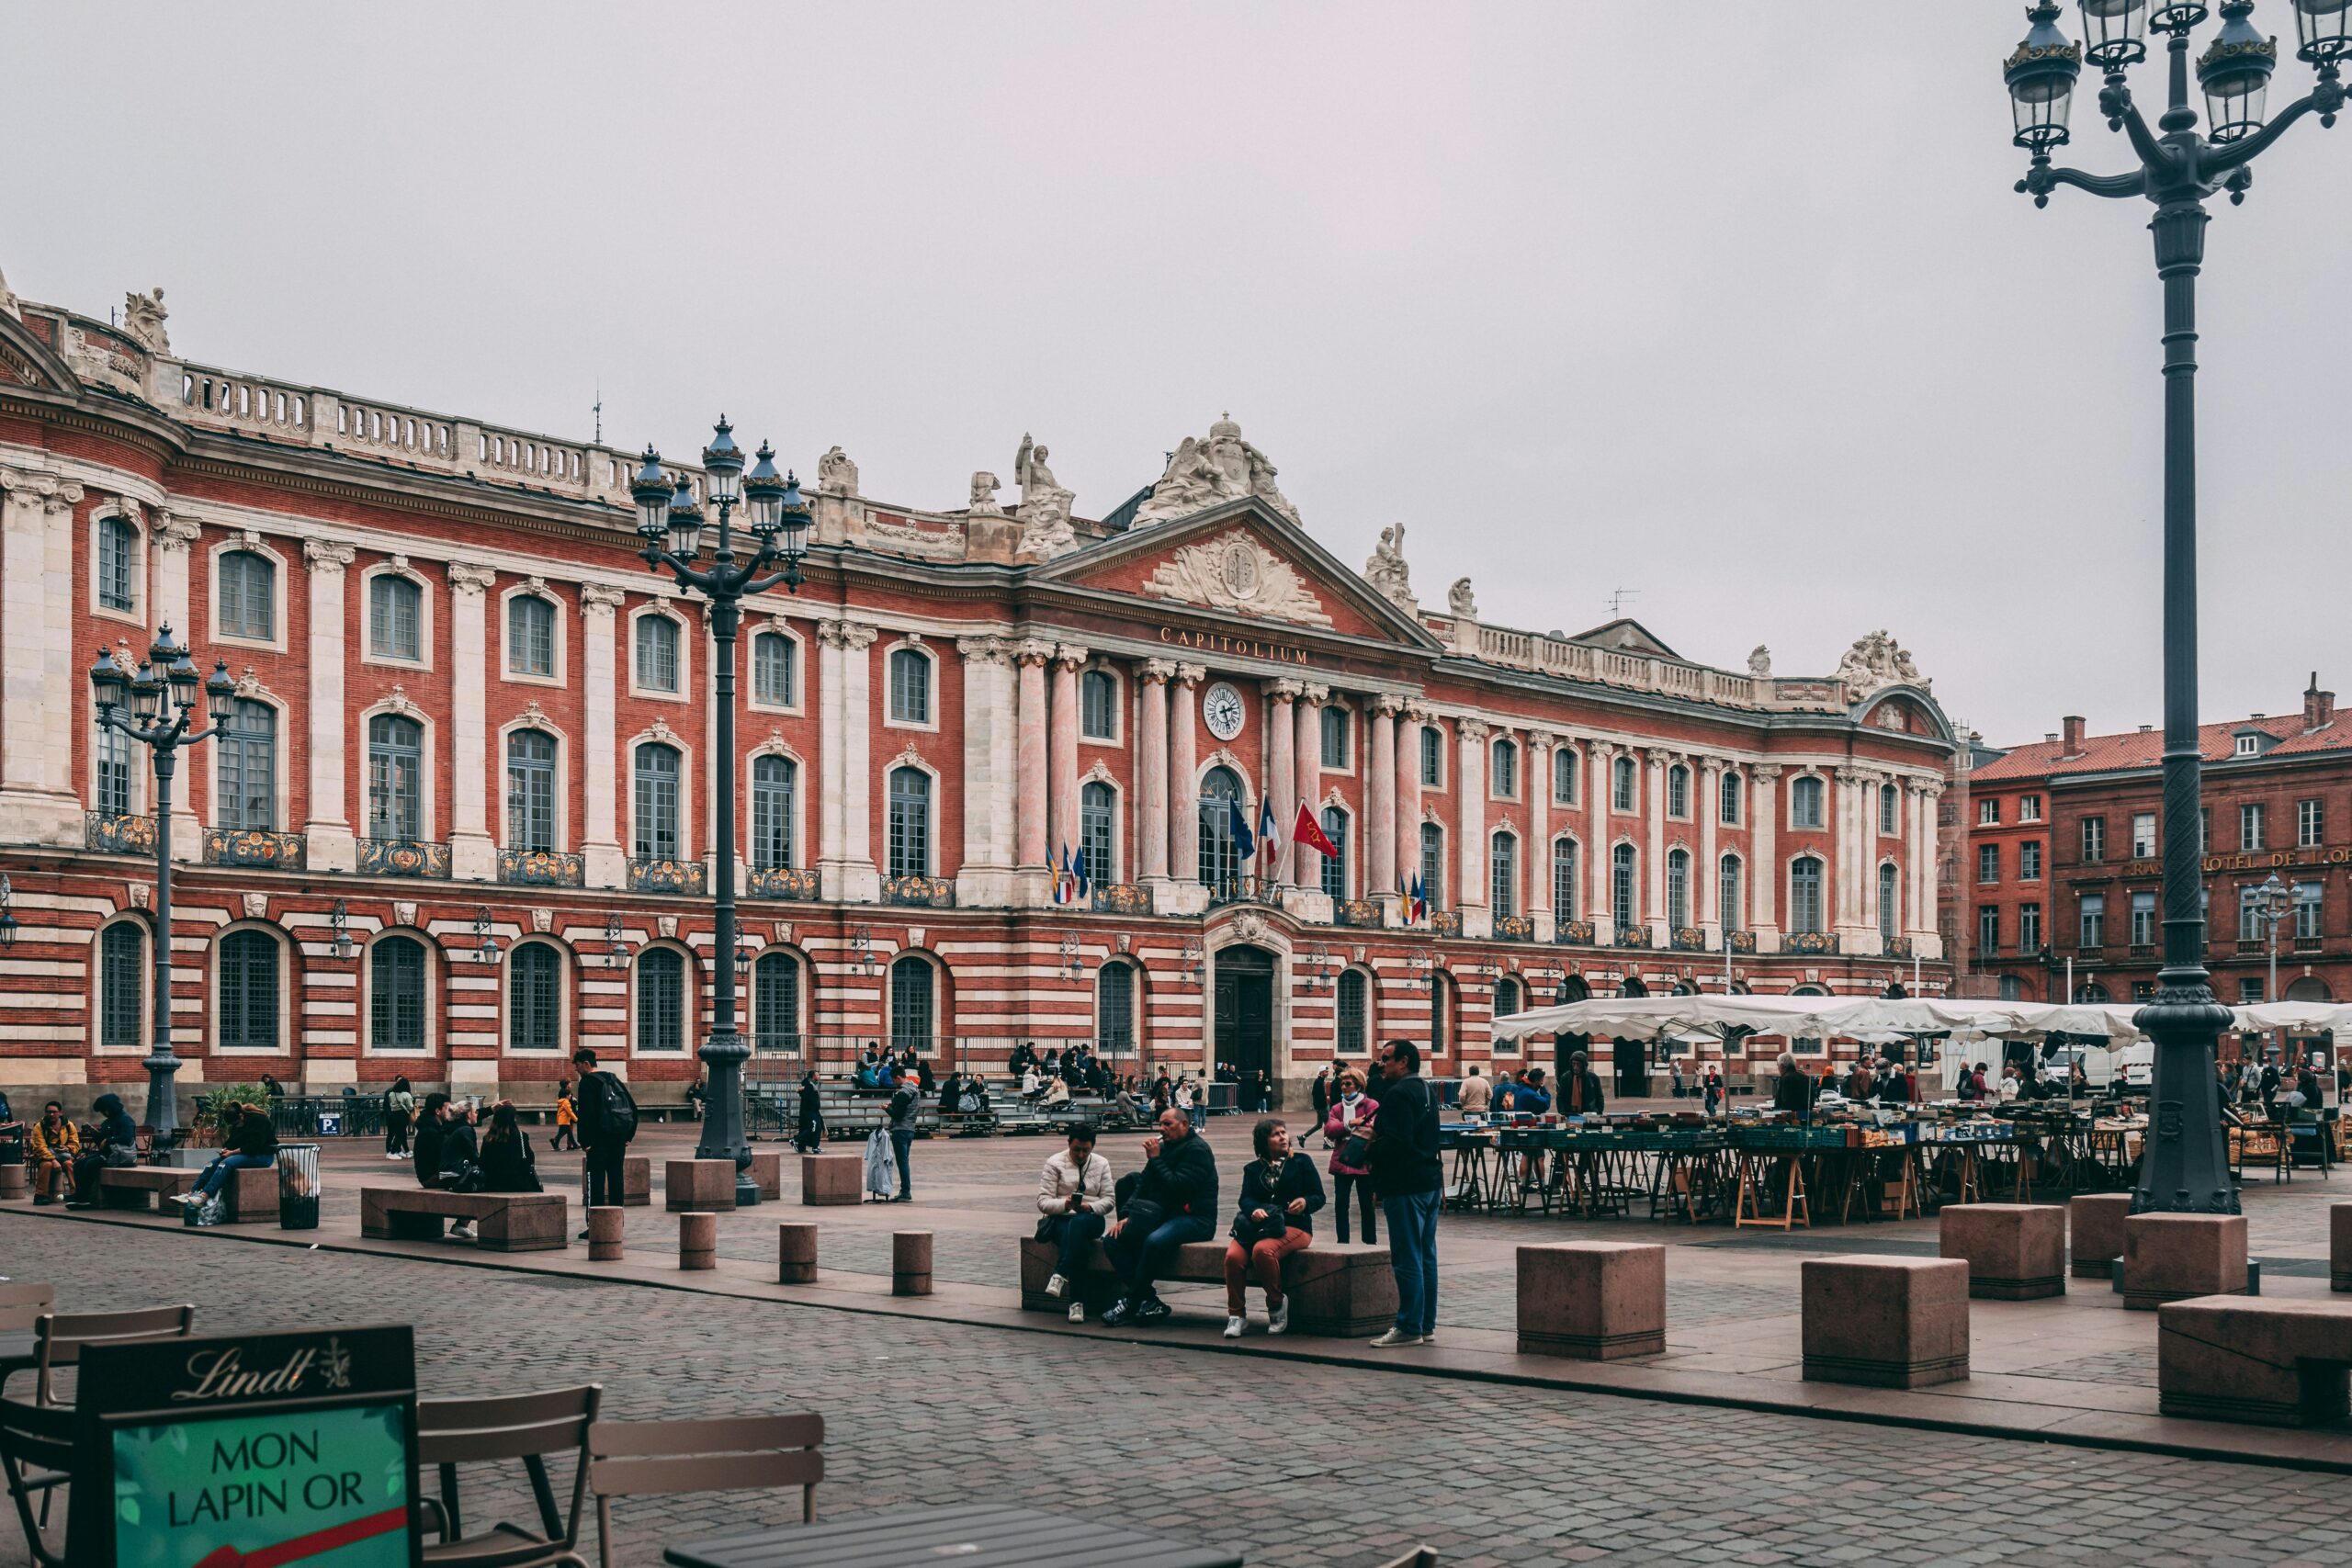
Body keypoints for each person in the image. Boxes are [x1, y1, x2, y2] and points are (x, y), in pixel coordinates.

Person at [1100, 1106, 1219, 1327]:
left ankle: (1132, 1300)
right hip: (1165, 1215)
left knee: (1154, 1241)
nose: (1161, 1129)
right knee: (1112, 1241)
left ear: (1184, 1125)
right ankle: (1148, 1299)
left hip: (1195, 1219)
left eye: (1167, 1124)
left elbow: (1179, 1189)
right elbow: (1144, 1184)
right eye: (1160, 1124)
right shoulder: (1164, 1149)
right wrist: (1127, 1215)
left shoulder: (1197, 1150)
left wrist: (1156, 1160)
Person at [1367, 1040, 1442, 1348]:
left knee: (1406, 1256)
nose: (1381, 1064)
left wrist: (1369, 1144)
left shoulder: (1397, 1094)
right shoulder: (1425, 1089)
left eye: (1386, 1059)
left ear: (1404, 1062)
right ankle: (1425, 1324)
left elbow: (1398, 1142)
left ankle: (1409, 1325)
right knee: (1426, 1255)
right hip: (1429, 1181)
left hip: (1405, 1184)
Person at [1224, 1117, 1326, 1337]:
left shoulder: (1301, 1162)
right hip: (1258, 1226)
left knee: (1263, 1251)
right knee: (1233, 1257)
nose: (1283, 1137)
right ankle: (1237, 1315)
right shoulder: (1253, 1169)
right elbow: (1245, 1198)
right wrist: (1254, 1210)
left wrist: (1306, 1203)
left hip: (1294, 1226)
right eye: (1276, 1134)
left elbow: (1319, 1196)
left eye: (1284, 1132)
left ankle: (1276, 1304)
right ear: (1264, 1142)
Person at [1036, 1123, 1115, 1323]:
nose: (1081, 1154)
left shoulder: (1101, 1163)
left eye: (1086, 1151)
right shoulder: (1054, 1163)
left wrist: (1090, 1207)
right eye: (1076, 1150)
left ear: (1092, 1148)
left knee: (1078, 1226)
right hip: (1061, 1219)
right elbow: (1043, 1202)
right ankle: (1076, 1303)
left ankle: (1060, 1273)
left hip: (1091, 1218)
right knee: (1076, 1243)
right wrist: (1065, 1204)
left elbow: (1109, 1200)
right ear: (1069, 1144)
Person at [572, 1047, 636, 1232]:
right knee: (616, 1180)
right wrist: (628, 1136)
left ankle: (596, 1226)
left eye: (577, 1066)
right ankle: (616, 1224)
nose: (576, 1070)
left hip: (598, 1143)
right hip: (618, 1140)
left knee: (596, 1184)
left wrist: (585, 1143)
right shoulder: (613, 1079)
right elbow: (632, 1108)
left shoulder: (587, 1083)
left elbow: (586, 1116)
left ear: (586, 1064)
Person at [176, 1103, 277, 1216]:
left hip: (262, 1156)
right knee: (212, 1164)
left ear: (241, 1116)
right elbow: (232, 1141)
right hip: (245, 1154)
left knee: (226, 1163)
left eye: (236, 1124)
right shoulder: (237, 1122)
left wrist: (232, 1153)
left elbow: (254, 1146)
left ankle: (204, 1196)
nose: (236, 1126)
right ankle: (192, 1193)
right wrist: (226, 1150)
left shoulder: (259, 1121)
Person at [1324, 1068, 1379, 1245]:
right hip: (1342, 1160)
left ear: (1359, 1085)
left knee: (1366, 1205)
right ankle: (1342, 1241)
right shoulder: (1337, 1107)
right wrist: (1349, 1124)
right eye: (1342, 1084)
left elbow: (1373, 1128)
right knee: (1341, 1205)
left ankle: (1370, 1241)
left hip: (1363, 1159)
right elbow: (1329, 1130)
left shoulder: (1371, 1105)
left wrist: (1345, 1128)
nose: (1344, 1087)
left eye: (1348, 1084)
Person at [68, 1092, 139, 1207]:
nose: (104, 1113)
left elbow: (127, 1138)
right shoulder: (108, 1121)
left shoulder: (126, 1120)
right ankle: (79, 1194)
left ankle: (84, 1197)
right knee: (78, 1164)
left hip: (120, 1156)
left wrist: (109, 1140)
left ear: (110, 1108)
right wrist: (93, 1132)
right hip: (108, 1153)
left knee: (90, 1164)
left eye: (104, 1110)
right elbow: (101, 1141)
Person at [437, 1101, 482, 1239]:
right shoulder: (466, 1130)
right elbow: (473, 1156)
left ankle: (462, 1224)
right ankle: (461, 1224)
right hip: (456, 1174)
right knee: (483, 1182)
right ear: (468, 1114)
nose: (476, 1115)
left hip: (446, 1173)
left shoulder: (455, 1128)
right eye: (475, 1112)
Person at [478, 1100, 542, 1192]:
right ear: (513, 1118)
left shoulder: (488, 1138)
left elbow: (483, 1162)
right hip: (517, 1183)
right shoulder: (521, 1136)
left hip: (493, 1184)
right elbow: (529, 1158)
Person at [28, 1100, 79, 1205]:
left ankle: (76, 1194)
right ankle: (40, 1196)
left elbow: (75, 1144)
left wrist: (67, 1148)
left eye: (54, 1112)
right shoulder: (39, 1126)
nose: (51, 1114)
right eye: (48, 1112)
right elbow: (40, 1147)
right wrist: (53, 1159)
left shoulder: (69, 1125)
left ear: (60, 1113)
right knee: (47, 1165)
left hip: (63, 1155)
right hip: (44, 1156)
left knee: (69, 1164)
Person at [885, 1077, 919, 1201]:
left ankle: (905, 1191)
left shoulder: (903, 1092)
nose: (893, 1083)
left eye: (894, 1080)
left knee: (902, 1162)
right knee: (905, 1160)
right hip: (910, 1128)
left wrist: (887, 1108)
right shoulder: (915, 1089)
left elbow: (898, 1114)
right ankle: (905, 1190)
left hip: (900, 1129)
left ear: (898, 1077)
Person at [413, 1092, 450, 1189]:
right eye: (447, 1109)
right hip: (431, 1177)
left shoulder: (432, 1126)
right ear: (438, 1111)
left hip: (430, 1175)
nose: (450, 1112)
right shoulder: (430, 1131)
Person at [1561, 1051, 1605, 1117]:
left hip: (1589, 1114)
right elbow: (1560, 1097)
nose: (1575, 1067)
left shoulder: (1593, 1078)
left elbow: (1599, 1097)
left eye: (1578, 1064)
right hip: (1569, 1114)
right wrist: (1562, 1113)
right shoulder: (1565, 1078)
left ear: (1584, 1065)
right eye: (1574, 1064)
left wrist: (1598, 1112)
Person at [382, 1075, 416, 1160]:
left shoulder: (391, 1093)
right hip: (402, 1115)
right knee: (400, 1134)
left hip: (394, 1114)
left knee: (397, 1133)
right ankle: (393, 1152)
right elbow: (410, 1106)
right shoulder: (406, 1094)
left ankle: (396, 1151)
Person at [1771, 1053, 1815, 1119]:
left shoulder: (1785, 1078)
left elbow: (1783, 1100)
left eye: (1778, 1066)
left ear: (1782, 1066)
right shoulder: (1806, 1078)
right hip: (1804, 1116)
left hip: (1790, 1117)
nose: (1778, 1068)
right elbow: (1811, 1101)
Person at [796, 1068, 825, 1152]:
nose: (819, 1076)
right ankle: (797, 1140)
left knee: (817, 1128)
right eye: (817, 1075)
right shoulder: (809, 1085)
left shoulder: (813, 1085)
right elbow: (808, 1099)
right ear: (813, 1076)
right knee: (812, 1128)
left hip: (813, 1111)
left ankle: (815, 1146)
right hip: (810, 1111)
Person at [549, 1081, 579, 1152]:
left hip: (562, 1120)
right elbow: (570, 1112)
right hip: (565, 1120)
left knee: (564, 1133)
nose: (571, 1096)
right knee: (568, 1132)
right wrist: (576, 1119)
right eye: (570, 1095)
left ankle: (555, 1143)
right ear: (566, 1096)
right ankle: (575, 1145)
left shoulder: (561, 1101)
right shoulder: (566, 1102)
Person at [1310, 1066, 1333, 1141]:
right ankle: (1326, 1142)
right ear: (1321, 1072)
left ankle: (1303, 1137)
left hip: (1321, 1106)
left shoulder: (1321, 1081)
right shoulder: (1318, 1082)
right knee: (1328, 1125)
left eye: (1327, 1072)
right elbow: (1315, 1094)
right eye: (1326, 1072)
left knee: (1319, 1125)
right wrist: (1326, 1099)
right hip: (1322, 1107)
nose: (1327, 1073)